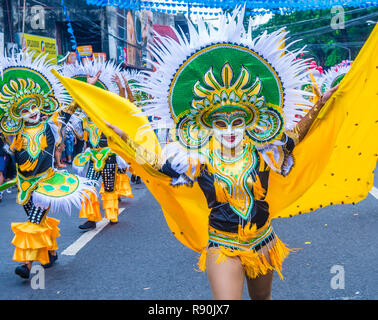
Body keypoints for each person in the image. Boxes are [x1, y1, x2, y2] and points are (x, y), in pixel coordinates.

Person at [53, 7, 378, 299]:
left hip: (263, 242)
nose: (231, 129)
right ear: (207, 125)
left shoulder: (264, 151)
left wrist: (321, 105)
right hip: (223, 245)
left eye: (238, 120)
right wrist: (126, 139)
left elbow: (295, 137)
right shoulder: (195, 158)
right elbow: (158, 164)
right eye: (221, 122)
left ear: (251, 120)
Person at [0, 51, 99, 279]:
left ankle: (26, 264)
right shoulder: (15, 133)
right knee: (38, 220)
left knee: (33, 223)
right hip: (26, 185)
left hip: (46, 183)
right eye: (24, 110)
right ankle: (51, 252)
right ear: (17, 114)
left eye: (33, 106)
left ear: (40, 105)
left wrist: (88, 86)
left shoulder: (52, 124)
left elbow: (70, 109)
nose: (31, 113)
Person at [62, 60, 133, 230]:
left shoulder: (109, 117)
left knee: (109, 187)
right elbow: (72, 108)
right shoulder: (86, 118)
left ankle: (112, 214)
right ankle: (91, 219)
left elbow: (122, 105)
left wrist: (122, 88)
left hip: (108, 156)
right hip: (93, 158)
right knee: (89, 187)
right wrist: (88, 86)